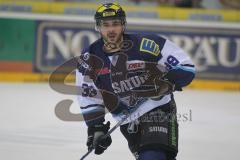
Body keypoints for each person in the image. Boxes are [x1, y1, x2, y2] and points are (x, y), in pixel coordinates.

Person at [76, 2, 195, 160]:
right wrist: (96, 128)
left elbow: (186, 67)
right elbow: (88, 95)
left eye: (116, 24)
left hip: (159, 110)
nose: (111, 29)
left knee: (153, 156)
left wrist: (166, 83)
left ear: (123, 25)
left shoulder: (147, 44)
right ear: (98, 27)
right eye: (105, 25)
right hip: (127, 122)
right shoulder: (89, 57)